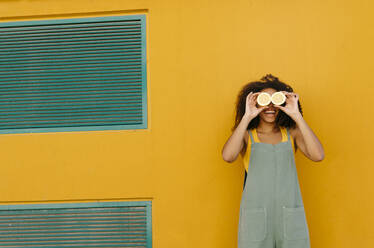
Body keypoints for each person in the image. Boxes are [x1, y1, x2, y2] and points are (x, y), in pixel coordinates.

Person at [221, 74, 324, 248]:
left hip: (289, 217)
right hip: (256, 219)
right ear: (255, 103)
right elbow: (228, 156)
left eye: (275, 100)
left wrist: (297, 116)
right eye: (264, 100)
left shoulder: (292, 134)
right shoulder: (247, 136)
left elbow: (318, 155)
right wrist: (246, 116)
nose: (270, 106)